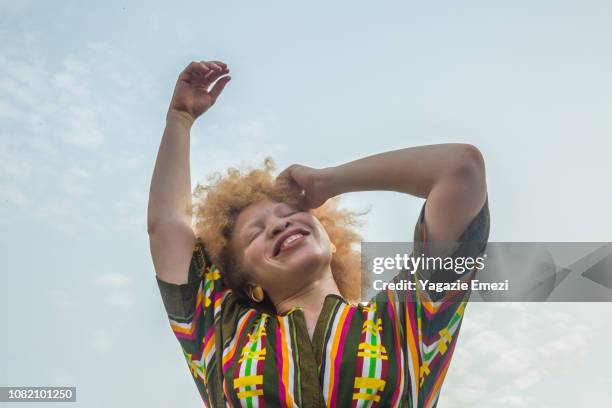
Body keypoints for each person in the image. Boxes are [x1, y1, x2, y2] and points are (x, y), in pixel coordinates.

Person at [148, 60, 490, 408]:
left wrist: (328, 181)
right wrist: (179, 119)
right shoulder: (223, 333)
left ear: (332, 241)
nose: (278, 225)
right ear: (249, 283)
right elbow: (167, 229)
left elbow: (460, 169)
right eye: (255, 234)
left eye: (289, 214)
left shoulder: (406, 320)